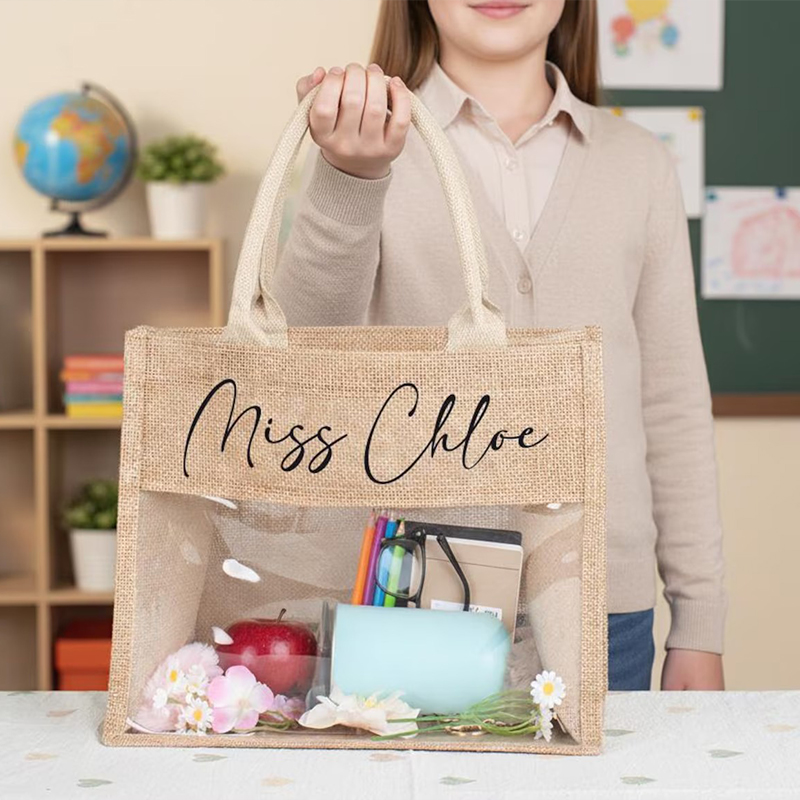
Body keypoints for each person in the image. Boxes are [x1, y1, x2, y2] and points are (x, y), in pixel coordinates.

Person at [274, 0, 725, 691]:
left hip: (606, 607)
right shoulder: (354, 143)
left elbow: (673, 408)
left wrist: (700, 623)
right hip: (410, 596)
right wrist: (351, 180)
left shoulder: (639, 165)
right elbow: (302, 359)